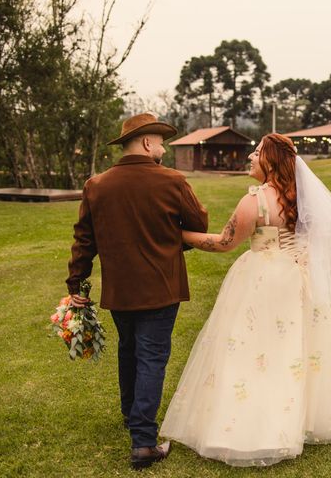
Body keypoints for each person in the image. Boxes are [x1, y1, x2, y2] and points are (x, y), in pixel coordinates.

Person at [160, 133, 331, 466]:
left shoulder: (257, 201)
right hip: (298, 279)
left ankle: (249, 426)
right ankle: (298, 419)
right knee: (293, 348)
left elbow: (223, 243)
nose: (250, 155)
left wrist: (177, 235)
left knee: (253, 348)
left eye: (257, 152)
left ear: (271, 160)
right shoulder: (300, 196)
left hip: (263, 279)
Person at [66, 112, 208, 470]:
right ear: (147, 143)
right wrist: (171, 241)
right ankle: (143, 441)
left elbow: (85, 240)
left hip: (121, 290)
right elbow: (198, 223)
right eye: (160, 141)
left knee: (129, 350)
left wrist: (77, 283)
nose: (162, 147)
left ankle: (132, 416)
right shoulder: (172, 180)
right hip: (161, 287)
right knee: (151, 358)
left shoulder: (96, 185)